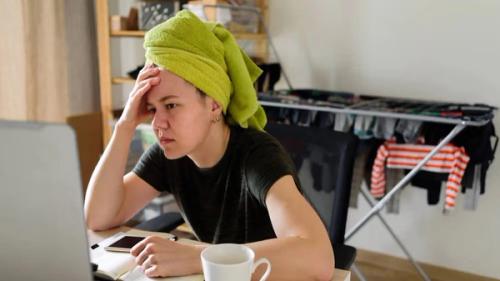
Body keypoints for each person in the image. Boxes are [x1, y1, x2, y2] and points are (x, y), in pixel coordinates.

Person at [84, 10, 334, 280]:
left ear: (214, 104)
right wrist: (124, 126)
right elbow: (98, 218)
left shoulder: (257, 155)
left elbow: (318, 257)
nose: (159, 122)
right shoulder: (169, 152)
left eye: (171, 105)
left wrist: (197, 257)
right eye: (152, 108)